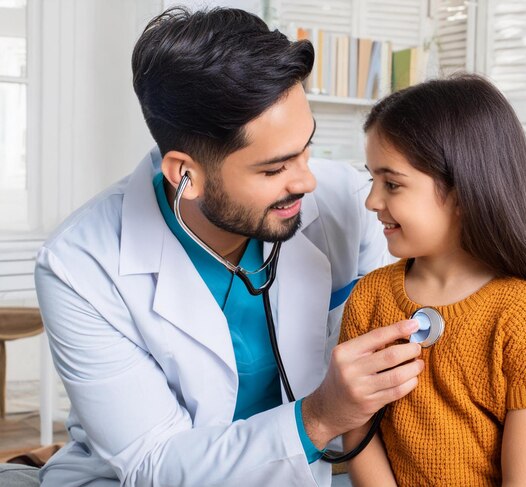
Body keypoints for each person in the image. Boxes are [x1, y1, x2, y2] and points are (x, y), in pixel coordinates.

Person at [33, 7, 426, 487]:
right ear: (187, 174)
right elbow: (154, 464)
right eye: (274, 169)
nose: (306, 181)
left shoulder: (350, 202)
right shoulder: (80, 264)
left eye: (307, 148)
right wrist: (319, 417)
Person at [339, 75, 526, 487]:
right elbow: (357, 426)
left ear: (462, 192)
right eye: (372, 180)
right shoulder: (370, 297)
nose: (372, 201)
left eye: (391, 183)